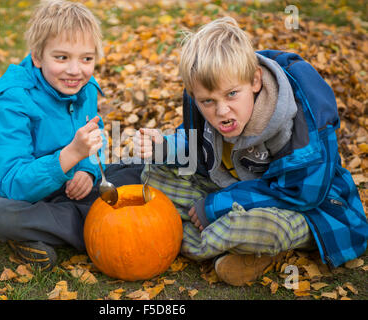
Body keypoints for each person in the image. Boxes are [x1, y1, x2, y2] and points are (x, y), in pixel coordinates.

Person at [135, 17, 368, 286]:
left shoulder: (295, 123)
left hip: (304, 209)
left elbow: (303, 194)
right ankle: (231, 244)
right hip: (235, 192)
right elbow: (195, 143)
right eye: (208, 101)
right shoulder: (209, 110)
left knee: (254, 226)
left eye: (232, 94)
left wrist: (215, 206)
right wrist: (163, 148)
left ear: (255, 81)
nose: (221, 111)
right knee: (154, 174)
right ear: (194, 95)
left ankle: (199, 237)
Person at [0, 0, 143, 271]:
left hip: (66, 183)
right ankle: (96, 225)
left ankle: (52, 230)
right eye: (62, 57)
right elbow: (14, 184)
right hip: (12, 192)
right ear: (37, 56)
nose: (75, 70)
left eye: (86, 59)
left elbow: (94, 142)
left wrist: (86, 170)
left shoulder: (85, 87)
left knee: (141, 170)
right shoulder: (11, 100)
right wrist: (72, 155)